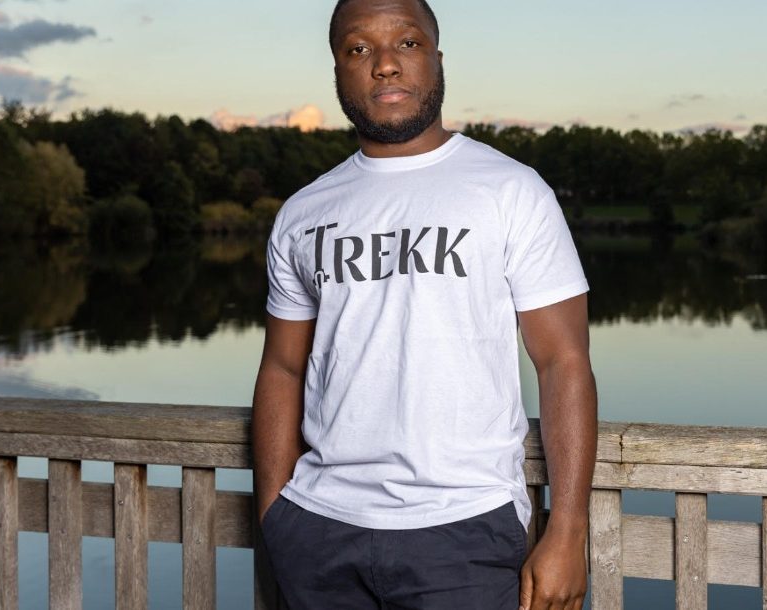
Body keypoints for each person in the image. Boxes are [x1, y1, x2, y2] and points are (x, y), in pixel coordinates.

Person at [250, 0, 597, 608]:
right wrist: (275, 518)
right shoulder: (304, 211)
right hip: (319, 533)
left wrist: (568, 528)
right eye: (359, 48)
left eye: (407, 43)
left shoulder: (511, 191)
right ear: (338, 68)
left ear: (437, 58)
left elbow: (563, 362)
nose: (385, 64)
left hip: (464, 531)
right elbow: (282, 368)